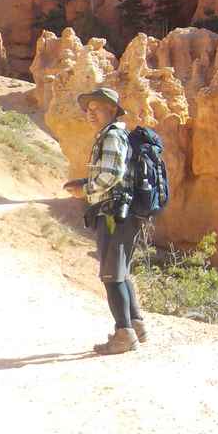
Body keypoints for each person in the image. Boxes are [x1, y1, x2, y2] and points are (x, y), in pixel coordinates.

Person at [64, 86, 147, 355]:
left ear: (112, 110)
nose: (90, 113)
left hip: (114, 215)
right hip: (122, 213)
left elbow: (110, 177)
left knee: (111, 276)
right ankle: (136, 325)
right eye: (88, 109)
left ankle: (124, 335)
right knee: (120, 272)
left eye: (96, 108)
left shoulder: (111, 136)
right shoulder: (116, 135)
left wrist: (85, 190)